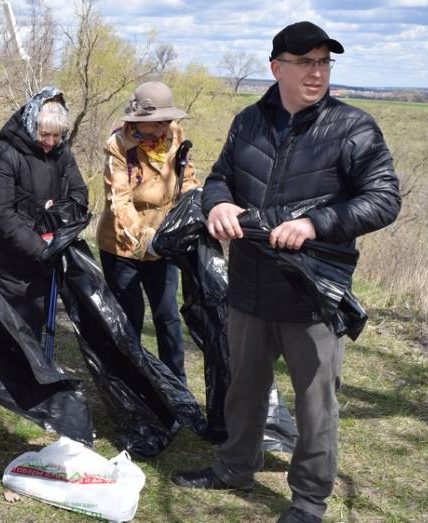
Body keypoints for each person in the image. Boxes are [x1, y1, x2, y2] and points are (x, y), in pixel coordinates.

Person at [170, 21, 401, 523]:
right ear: (277, 68)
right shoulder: (248, 121)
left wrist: (316, 223)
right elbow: (219, 178)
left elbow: (384, 200)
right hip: (249, 286)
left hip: (312, 294)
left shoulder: (352, 127)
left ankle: (308, 501)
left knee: (316, 407)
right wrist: (219, 205)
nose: (317, 72)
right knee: (243, 389)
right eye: (306, 62)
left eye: (324, 62)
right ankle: (234, 467)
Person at [95, 81, 199, 384]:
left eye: (169, 118)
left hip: (165, 242)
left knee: (167, 315)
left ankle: (175, 383)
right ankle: (133, 382)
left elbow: (186, 179)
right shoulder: (118, 145)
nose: (166, 125)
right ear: (140, 120)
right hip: (122, 245)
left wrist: (196, 207)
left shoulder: (175, 134)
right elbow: (119, 202)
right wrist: (146, 240)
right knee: (130, 317)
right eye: (160, 120)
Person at [0, 87, 88, 338]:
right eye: (45, 135)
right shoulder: (5, 155)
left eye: (57, 136)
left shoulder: (63, 153)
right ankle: (20, 373)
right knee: (16, 324)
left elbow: (79, 194)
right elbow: (0, 213)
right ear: (31, 125)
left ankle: (40, 371)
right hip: (12, 255)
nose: (51, 143)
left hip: (49, 252)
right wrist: (42, 248)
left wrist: (59, 215)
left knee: (40, 318)